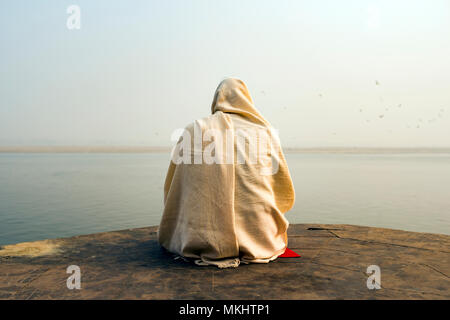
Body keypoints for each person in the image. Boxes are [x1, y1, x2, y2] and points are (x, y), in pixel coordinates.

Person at [158, 78, 295, 268]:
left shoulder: (195, 129)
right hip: (261, 238)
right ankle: (253, 231)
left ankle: (209, 236)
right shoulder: (265, 132)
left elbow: (175, 188)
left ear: (216, 100)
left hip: (200, 239)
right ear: (247, 99)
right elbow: (282, 188)